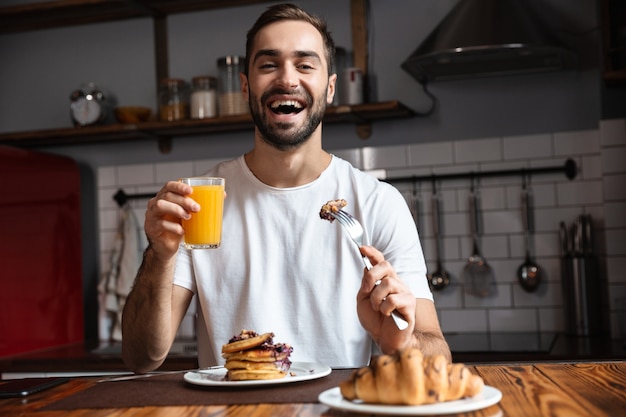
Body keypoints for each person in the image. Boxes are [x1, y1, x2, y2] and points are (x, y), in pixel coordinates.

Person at [122, 3, 450, 374]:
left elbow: (437, 353)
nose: (287, 79)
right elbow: (141, 358)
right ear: (246, 86)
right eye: (268, 64)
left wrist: (402, 341)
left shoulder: (377, 203)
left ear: (329, 89)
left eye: (305, 64)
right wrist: (159, 256)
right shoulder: (199, 205)